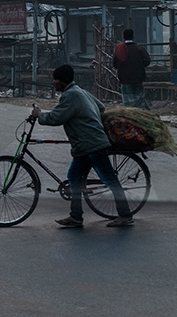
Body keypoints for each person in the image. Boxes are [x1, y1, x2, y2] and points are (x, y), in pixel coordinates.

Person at [31, 64, 134, 228]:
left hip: (92, 145)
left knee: (109, 179)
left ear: (62, 81)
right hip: (83, 147)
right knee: (73, 178)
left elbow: (57, 117)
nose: (53, 82)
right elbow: (100, 107)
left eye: (55, 79)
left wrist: (39, 116)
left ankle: (125, 214)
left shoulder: (70, 95)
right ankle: (76, 217)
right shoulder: (80, 91)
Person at [113, 28, 151, 109]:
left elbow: (115, 64)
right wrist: (138, 67)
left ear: (123, 37)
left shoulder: (120, 49)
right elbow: (147, 61)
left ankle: (129, 114)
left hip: (124, 78)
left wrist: (123, 68)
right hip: (138, 77)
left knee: (127, 99)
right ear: (133, 36)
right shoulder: (139, 48)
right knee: (139, 98)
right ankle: (140, 114)